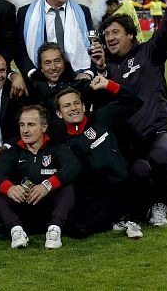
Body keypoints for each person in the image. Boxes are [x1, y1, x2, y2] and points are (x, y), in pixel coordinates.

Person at [92, 0, 167, 226]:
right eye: (107, 34)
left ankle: (163, 201)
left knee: (160, 157)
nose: (110, 38)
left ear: (130, 35)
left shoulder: (150, 53)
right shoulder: (106, 68)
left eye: (116, 33)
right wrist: (100, 69)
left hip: (159, 130)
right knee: (128, 173)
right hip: (128, 141)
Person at [53, 78, 146, 239]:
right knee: (77, 228)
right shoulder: (61, 143)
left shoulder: (102, 117)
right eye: (67, 105)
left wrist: (108, 85)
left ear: (83, 106)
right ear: (59, 113)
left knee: (141, 167)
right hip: (103, 196)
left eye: (76, 103)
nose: (73, 108)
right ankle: (118, 218)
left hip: (126, 183)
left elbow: (135, 102)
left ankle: (133, 220)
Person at [0, 105, 81, 249]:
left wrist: (47, 185)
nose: (25, 130)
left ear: (44, 127)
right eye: (22, 125)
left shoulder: (57, 148)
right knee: (1, 191)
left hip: (49, 212)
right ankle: (16, 231)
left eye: (31, 125)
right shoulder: (14, 152)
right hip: (23, 212)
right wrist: (10, 188)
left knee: (67, 186)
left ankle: (54, 230)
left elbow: (74, 167)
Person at [15, 0, 94, 78]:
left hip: (76, 77)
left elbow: (93, 44)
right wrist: (32, 73)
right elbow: (19, 49)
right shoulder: (25, 13)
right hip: (39, 79)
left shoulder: (83, 12)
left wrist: (88, 73)